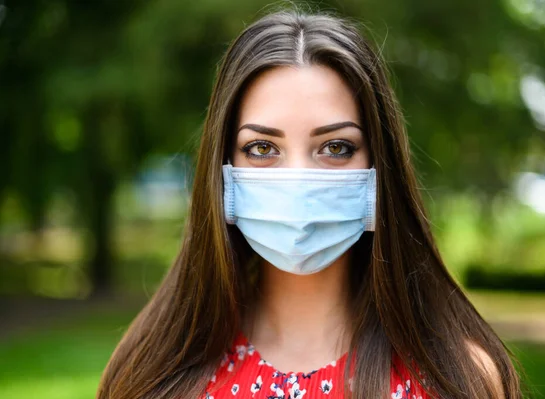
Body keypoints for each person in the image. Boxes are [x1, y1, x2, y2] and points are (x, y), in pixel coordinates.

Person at [97, 9, 523, 399]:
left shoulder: (458, 379)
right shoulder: (153, 377)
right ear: (223, 168)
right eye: (262, 148)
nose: (296, 179)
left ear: (379, 166)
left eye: (335, 147)